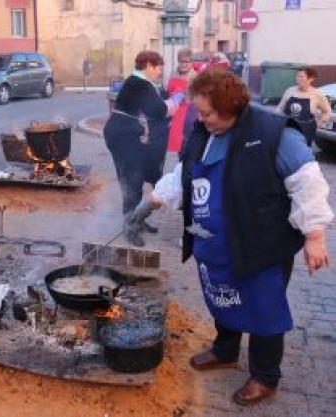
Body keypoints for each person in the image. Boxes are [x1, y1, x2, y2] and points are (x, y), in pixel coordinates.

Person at [133, 68, 333, 405]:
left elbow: (307, 183)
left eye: (207, 112)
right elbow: (187, 171)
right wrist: (156, 198)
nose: (202, 118)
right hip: (215, 242)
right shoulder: (205, 132)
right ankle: (225, 351)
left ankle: (265, 375)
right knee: (222, 294)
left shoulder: (273, 133)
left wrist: (315, 236)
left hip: (261, 242)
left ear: (231, 107)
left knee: (262, 306)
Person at [103, 50, 180, 247]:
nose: (159, 73)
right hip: (122, 136)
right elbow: (158, 111)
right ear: (148, 66)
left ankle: (139, 220)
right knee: (131, 181)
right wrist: (175, 101)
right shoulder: (141, 84)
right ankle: (129, 227)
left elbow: (154, 103)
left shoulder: (140, 83)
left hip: (125, 133)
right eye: (158, 69)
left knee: (137, 177)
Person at [277, 66, 331, 146]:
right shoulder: (289, 91)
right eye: (297, 76)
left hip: (306, 131)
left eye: (301, 76)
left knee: (303, 155)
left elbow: (327, 111)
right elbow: (279, 109)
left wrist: (322, 121)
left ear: (311, 79)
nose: (297, 78)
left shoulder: (317, 94)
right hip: (288, 129)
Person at [166, 48, 197, 153]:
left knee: (187, 147)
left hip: (188, 116)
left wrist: (186, 96)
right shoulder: (173, 73)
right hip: (174, 115)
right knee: (178, 148)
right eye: (181, 61)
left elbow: (197, 97)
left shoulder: (195, 76)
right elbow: (168, 90)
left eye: (186, 62)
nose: (183, 64)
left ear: (191, 62)